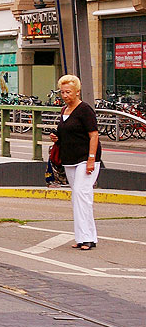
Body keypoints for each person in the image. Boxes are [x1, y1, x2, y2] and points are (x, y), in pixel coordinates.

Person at [48, 75, 102, 251]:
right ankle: (83, 237)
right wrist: (56, 137)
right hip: (69, 159)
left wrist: (91, 159)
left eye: (68, 92)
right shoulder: (64, 110)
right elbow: (66, 133)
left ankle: (88, 238)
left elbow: (93, 134)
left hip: (85, 159)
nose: (64, 95)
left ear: (77, 92)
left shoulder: (85, 110)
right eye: (62, 92)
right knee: (77, 197)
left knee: (81, 194)